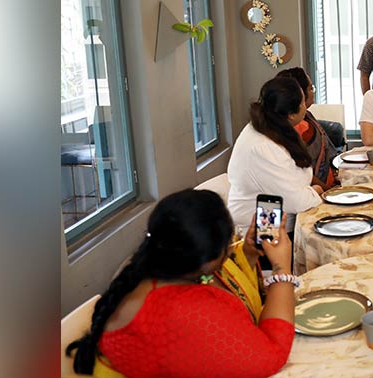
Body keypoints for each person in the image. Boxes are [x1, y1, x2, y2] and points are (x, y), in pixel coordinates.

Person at [66, 189, 296, 377]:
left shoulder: (150, 268)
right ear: (204, 262)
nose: (230, 250)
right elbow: (270, 355)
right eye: (228, 245)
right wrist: (281, 269)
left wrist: (248, 252)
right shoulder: (185, 311)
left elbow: (221, 277)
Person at [227, 77, 323, 231]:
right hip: (260, 229)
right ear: (291, 114)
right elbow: (297, 202)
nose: (306, 106)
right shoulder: (262, 146)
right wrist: (316, 191)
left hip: (276, 214)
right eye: (303, 102)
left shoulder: (275, 127)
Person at [276, 67, 340, 190]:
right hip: (319, 191)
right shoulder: (298, 127)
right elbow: (305, 175)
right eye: (310, 88)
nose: (313, 91)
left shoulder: (306, 116)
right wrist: (330, 191)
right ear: (299, 94)